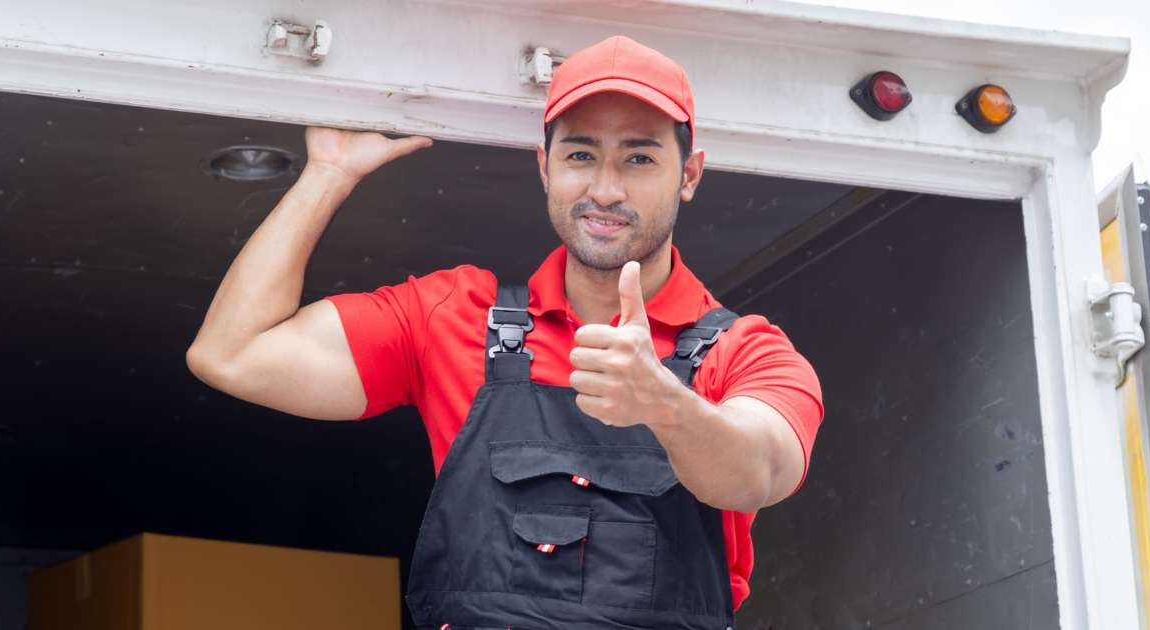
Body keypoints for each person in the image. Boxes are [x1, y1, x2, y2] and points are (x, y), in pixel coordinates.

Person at [187, 35, 822, 629]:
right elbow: (233, 354)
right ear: (544, 166)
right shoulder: (455, 315)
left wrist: (665, 406)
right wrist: (327, 174)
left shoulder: (746, 350)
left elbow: (761, 472)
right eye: (580, 155)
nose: (605, 188)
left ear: (689, 174)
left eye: (639, 157)